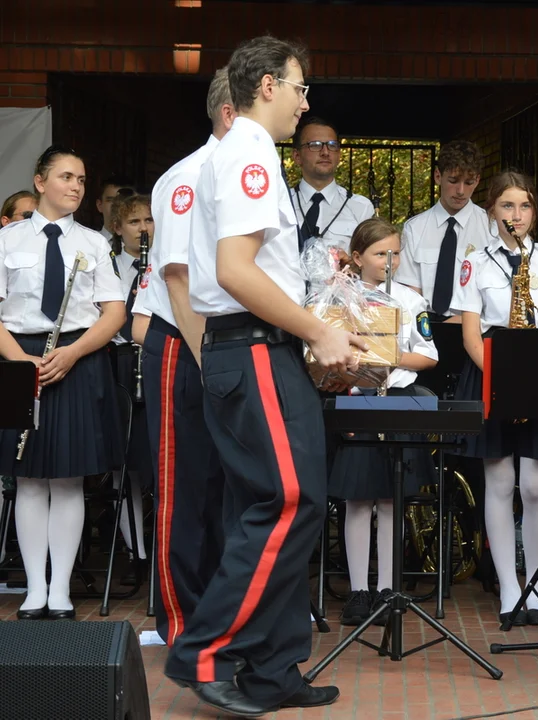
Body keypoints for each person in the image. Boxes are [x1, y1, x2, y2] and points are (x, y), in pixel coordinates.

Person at [163, 35, 363, 716]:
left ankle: (272, 670)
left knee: (281, 505)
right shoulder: (247, 149)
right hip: (251, 350)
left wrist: (317, 322)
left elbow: (255, 272)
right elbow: (235, 271)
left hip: (255, 349)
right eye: (302, 88)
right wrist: (317, 331)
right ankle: (205, 652)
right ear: (270, 85)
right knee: (285, 502)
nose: (308, 103)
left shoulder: (243, 154)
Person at [130, 66, 234, 646]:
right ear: (229, 113)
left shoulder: (241, 175)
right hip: (186, 344)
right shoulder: (187, 177)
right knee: (183, 486)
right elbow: (177, 278)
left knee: (224, 487)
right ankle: (181, 622)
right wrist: (209, 359)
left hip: (228, 347)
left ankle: (220, 616)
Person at [0, 145, 126, 619]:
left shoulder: (94, 243)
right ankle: (34, 590)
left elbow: (114, 312)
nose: (76, 186)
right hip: (21, 357)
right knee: (29, 478)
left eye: (81, 178)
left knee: (69, 479)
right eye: (66, 177)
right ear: (40, 181)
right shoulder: (8, 241)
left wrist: (72, 353)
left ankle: (60, 589)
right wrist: (22, 362)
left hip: (77, 357)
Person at [450, 169, 538, 626]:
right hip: (492, 375)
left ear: (534, 212)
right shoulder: (475, 261)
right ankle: (509, 587)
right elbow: (469, 333)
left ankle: (537, 588)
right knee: (501, 484)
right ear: (492, 212)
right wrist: (503, 377)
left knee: (535, 486)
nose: (516, 214)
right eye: (507, 206)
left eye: (524, 206)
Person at [330, 217, 438, 628]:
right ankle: (359, 590)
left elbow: (427, 356)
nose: (389, 261)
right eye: (379, 254)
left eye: (395, 253)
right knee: (358, 498)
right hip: (357, 400)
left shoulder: (411, 301)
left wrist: (383, 356)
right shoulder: (339, 298)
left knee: (392, 498)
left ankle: (389, 589)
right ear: (357, 258)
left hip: (397, 400)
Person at [106, 192, 155, 565]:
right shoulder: (108, 265)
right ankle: (135, 549)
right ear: (118, 227)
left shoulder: (165, 264)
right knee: (125, 459)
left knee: (155, 452)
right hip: (119, 362)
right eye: (135, 221)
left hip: (153, 360)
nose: (143, 228)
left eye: (148, 221)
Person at [397, 140, 488, 321]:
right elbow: (409, 292)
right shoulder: (414, 228)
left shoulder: (490, 227)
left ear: (477, 180)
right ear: (438, 176)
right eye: (453, 181)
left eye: (469, 182)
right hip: (426, 326)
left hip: (477, 326)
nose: (461, 191)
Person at [289, 116, 375, 253]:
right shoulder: (281, 204)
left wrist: (351, 264)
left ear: (339, 155)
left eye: (332, 145)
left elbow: (371, 262)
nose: (325, 152)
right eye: (315, 145)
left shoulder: (361, 208)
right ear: (297, 156)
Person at [95, 175, 135, 242]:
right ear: (100, 205)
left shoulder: (145, 244)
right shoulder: (89, 243)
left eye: (124, 200)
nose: (117, 204)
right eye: (111, 200)